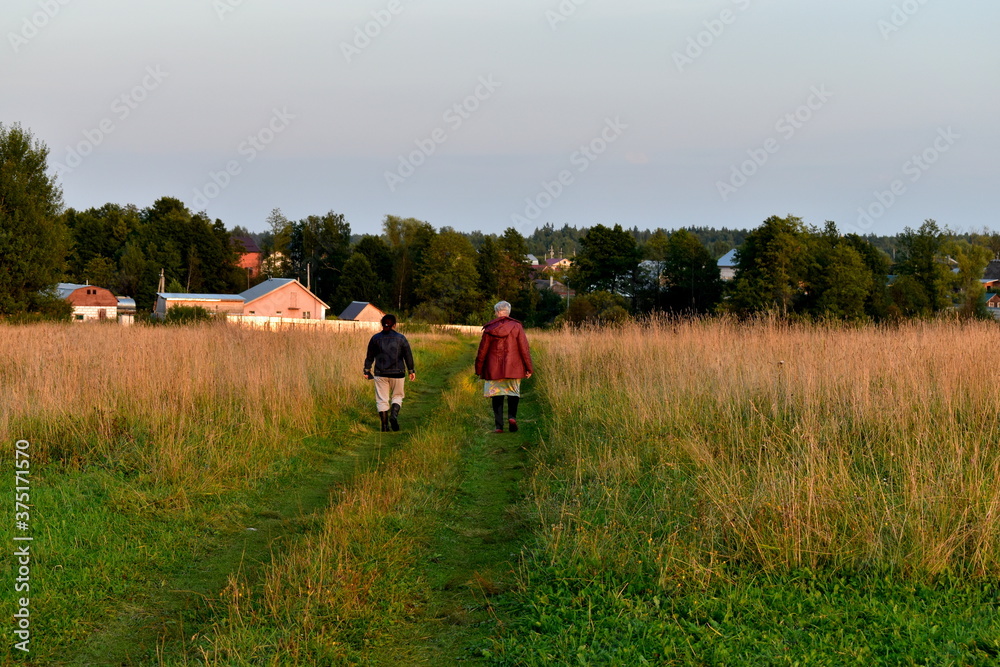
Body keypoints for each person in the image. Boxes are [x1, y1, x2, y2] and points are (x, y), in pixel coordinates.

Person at [475, 300, 533, 433]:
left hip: (493, 369)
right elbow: (524, 349)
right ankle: (512, 417)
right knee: (513, 393)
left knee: (497, 396)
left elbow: (482, 350)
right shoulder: (517, 327)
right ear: (508, 312)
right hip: (514, 367)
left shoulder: (490, 328)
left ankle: (499, 426)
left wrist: (478, 369)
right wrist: (529, 368)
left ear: (496, 312)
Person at [363, 314, 416, 432]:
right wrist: (411, 370)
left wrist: (366, 370)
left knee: (382, 399)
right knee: (397, 396)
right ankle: (394, 416)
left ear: (382, 324)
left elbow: (370, 356)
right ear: (395, 325)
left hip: (380, 373)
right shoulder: (401, 338)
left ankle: (384, 426)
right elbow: (408, 355)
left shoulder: (375, 338)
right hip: (398, 373)